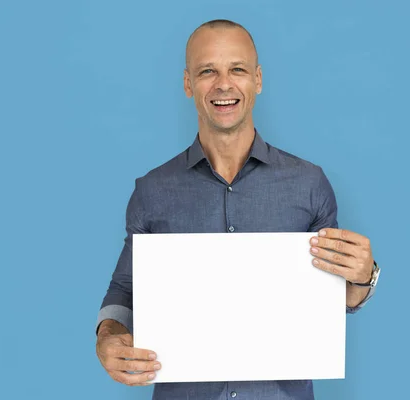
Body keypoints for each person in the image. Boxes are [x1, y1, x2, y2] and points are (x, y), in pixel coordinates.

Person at [95, 19, 380, 400]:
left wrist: (364, 277)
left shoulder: (309, 185)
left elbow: (334, 298)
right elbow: (125, 289)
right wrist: (108, 339)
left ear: (257, 80)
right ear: (187, 84)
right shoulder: (152, 191)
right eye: (207, 71)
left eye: (238, 69)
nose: (224, 84)